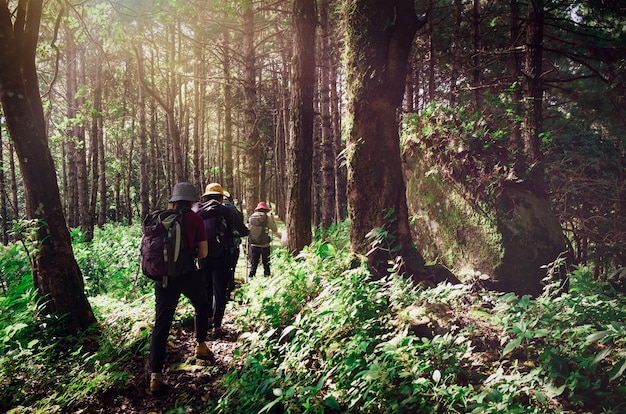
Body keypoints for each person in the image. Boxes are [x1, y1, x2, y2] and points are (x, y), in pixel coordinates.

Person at [149, 182, 213, 395]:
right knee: (202, 305)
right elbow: (203, 253)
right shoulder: (195, 219)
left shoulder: (162, 218)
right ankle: (201, 345)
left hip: (163, 278)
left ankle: (155, 377)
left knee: (162, 324)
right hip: (187, 275)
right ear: (192, 201)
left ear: (174, 201)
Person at [196, 183, 248, 339]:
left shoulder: (198, 211)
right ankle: (217, 326)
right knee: (220, 291)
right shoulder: (227, 211)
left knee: (206, 289)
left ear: (205, 197)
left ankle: (205, 321)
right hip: (222, 257)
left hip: (203, 256)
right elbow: (243, 231)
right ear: (221, 197)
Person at [248, 201, 278, 279]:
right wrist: (272, 220)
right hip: (265, 244)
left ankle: (251, 277)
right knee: (266, 263)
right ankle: (267, 277)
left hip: (254, 243)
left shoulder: (251, 217)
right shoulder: (266, 218)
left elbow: (248, 229)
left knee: (254, 263)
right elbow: (275, 229)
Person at [223, 191, 244, 299]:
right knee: (230, 268)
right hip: (231, 245)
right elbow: (242, 229)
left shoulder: (207, 209)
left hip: (212, 247)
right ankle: (228, 291)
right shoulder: (234, 210)